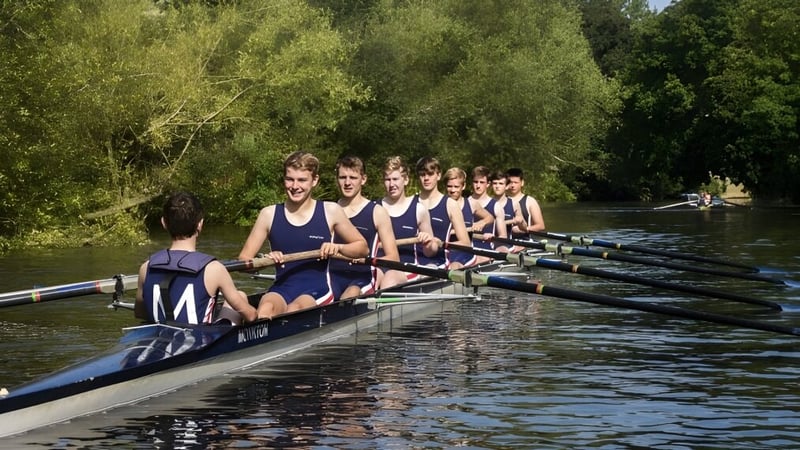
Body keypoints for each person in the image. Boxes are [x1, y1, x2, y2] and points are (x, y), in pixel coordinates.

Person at [238, 151, 369, 319]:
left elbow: (362, 248)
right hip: (282, 288)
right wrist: (265, 261)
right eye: (289, 179)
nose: (295, 186)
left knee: (295, 309)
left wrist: (338, 247)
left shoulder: (330, 211)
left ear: (314, 181)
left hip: (317, 290)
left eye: (302, 180)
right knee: (265, 308)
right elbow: (243, 261)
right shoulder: (268, 214)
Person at [135, 191, 258, 325]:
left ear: (164, 223)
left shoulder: (146, 267)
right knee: (240, 296)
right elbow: (250, 316)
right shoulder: (214, 269)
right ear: (200, 224)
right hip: (201, 342)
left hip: (159, 338)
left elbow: (140, 313)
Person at [330, 155, 400, 299]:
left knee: (349, 295)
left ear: (363, 179)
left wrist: (363, 259)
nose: (347, 183)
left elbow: (393, 257)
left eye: (353, 178)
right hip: (331, 275)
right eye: (343, 177)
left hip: (362, 275)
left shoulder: (377, 212)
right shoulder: (330, 210)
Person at [378, 156, 438, 287]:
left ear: (405, 180)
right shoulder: (375, 208)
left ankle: (382, 306)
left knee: (389, 279)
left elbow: (431, 252)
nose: (391, 184)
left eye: (395, 179)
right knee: (373, 276)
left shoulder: (419, 209)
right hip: (380, 265)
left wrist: (428, 242)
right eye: (387, 180)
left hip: (407, 268)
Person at [415, 157, 473, 269]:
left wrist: (441, 244)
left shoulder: (450, 204)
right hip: (413, 262)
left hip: (438, 262)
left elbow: (465, 243)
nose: (426, 178)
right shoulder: (411, 202)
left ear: (439, 175)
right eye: (422, 174)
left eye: (430, 174)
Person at [443, 167, 495, 264]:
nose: (453, 190)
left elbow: (490, 218)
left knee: (454, 266)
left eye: (456, 187)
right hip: (445, 250)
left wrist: (482, 222)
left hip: (464, 252)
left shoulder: (471, 204)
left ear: (463, 186)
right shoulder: (441, 205)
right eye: (449, 186)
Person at [470, 166, 509, 251]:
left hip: (486, 248)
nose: (478, 186)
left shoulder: (496, 206)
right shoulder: (464, 202)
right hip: (467, 246)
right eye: (475, 182)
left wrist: (493, 238)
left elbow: (503, 236)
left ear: (488, 184)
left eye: (482, 182)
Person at [490, 170, 525, 252]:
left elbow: (524, 229)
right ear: (491, 185)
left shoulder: (514, 204)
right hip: (488, 242)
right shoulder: (486, 204)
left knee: (503, 249)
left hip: (506, 245)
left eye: (501, 184)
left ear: (506, 186)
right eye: (495, 183)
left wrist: (521, 222)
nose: (497, 186)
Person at [505, 167, 546, 238]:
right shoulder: (500, 200)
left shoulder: (530, 201)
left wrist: (524, 229)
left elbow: (540, 226)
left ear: (522, 183)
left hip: (523, 241)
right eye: (510, 182)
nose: (512, 185)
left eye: (516, 182)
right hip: (504, 242)